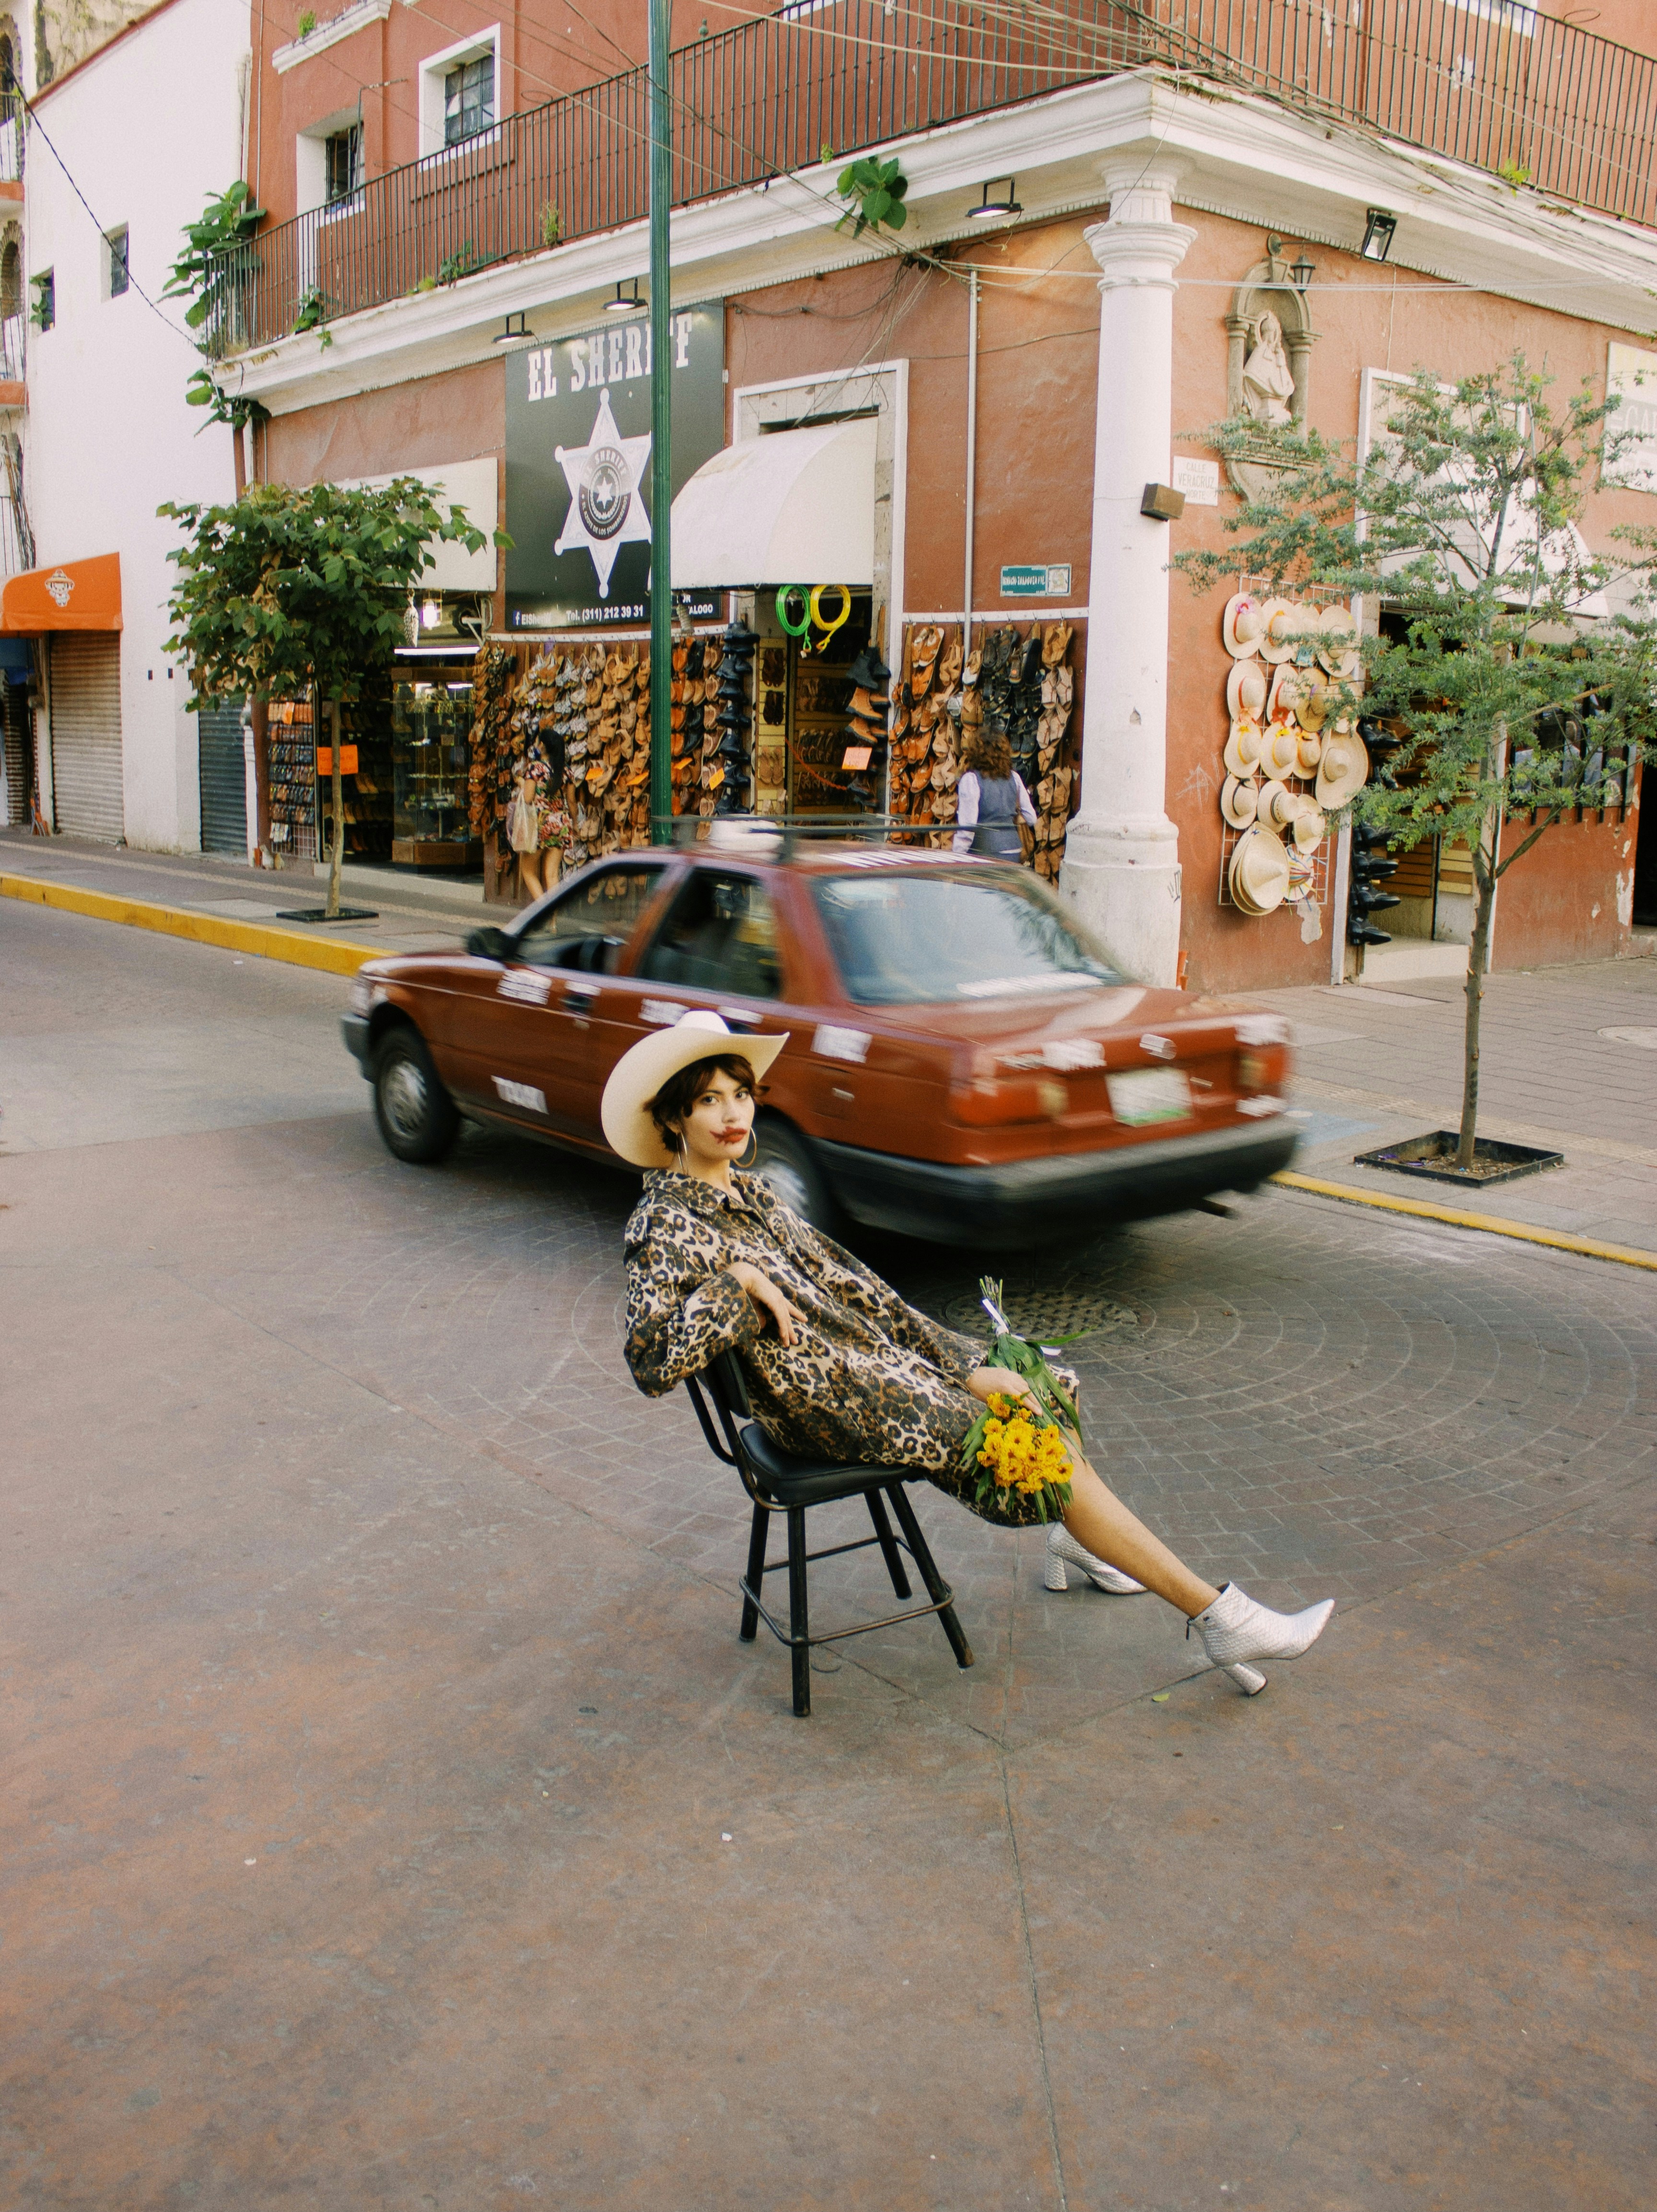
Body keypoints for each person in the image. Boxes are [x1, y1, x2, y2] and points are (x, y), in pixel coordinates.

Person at [607, 1010, 1335, 1691]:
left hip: (873, 1371)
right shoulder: (664, 1224)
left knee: (1041, 1382)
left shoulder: (757, 1194)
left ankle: (1077, 1539)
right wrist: (736, 1283)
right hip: (823, 1405)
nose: (733, 1114)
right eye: (708, 1101)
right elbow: (651, 1361)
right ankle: (1220, 1618)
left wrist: (965, 1363)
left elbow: (868, 1296)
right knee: (1025, 1443)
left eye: (740, 1093)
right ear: (674, 1116)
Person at [952, 724, 1039, 859]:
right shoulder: (1014, 777)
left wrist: (956, 857)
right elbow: (1032, 818)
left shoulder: (971, 780)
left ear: (975, 752)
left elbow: (967, 830)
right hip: (1013, 849)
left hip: (984, 852)